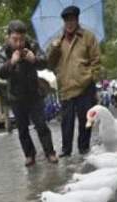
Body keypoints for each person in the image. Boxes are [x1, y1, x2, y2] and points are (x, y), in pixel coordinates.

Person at [0, 20, 57, 167]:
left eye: (22, 39)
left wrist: (34, 59)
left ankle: (50, 152)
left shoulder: (33, 45)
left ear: (26, 37)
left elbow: (45, 63)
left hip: (34, 94)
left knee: (41, 125)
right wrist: (12, 62)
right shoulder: (3, 52)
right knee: (22, 129)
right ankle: (29, 155)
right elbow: (1, 73)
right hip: (16, 97)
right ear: (8, 38)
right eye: (15, 39)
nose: (19, 43)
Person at [47, 5, 100, 158]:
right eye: (66, 20)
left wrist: (91, 77)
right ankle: (66, 149)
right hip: (65, 87)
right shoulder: (57, 40)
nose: (69, 23)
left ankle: (83, 147)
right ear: (63, 22)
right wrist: (54, 49)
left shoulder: (88, 37)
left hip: (85, 86)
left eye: (72, 19)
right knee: (66, 121)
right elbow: (50, 64)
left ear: (77, 20)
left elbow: (96, 60)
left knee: (86, 119)